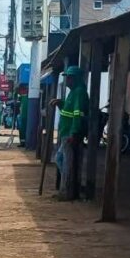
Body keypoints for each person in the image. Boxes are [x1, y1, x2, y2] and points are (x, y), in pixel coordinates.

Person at [50, 65, 89, 199]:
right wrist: (60, 103)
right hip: (65, 132)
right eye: (67, 77)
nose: (67, 81)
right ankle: (68, 185)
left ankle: (67, 191)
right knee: (60, 159)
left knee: (66, 161)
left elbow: (77, 114)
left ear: (76, 79)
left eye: (70, 78)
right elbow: (68, 111)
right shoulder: (72, 93)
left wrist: (74, 132)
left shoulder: (79, 92)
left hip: (70, 134)